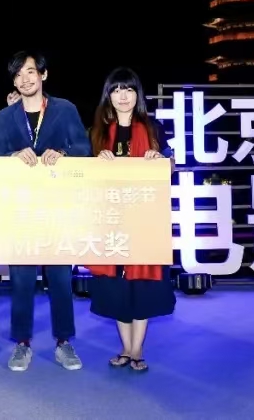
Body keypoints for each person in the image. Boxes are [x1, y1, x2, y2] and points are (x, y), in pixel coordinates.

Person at [0, 51, 91, 372]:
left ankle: (64, 342)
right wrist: (12, 156)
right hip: (20, 212)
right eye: (18, 74)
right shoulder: (5, 116)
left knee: (60, 278)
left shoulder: (65, 109)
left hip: (58, 210)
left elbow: (84, 148)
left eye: (30, 72)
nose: (25, 79)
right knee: (21, 280)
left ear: (43, 75)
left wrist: (63, 153)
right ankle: (22, 344)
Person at [85, 67, 175, 373]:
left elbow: (171, 165)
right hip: (110, 219)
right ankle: (125, 347)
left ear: (138, 94)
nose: (123, 96)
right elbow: (83, 175)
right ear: (108, 96)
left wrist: (159, 160)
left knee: (142, 285)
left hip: (144, 220)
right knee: (116, 288)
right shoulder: (97, 132)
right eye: (116, 90)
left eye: (129, 89)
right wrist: (96, 162)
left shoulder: (153, 128)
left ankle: (137, 350)